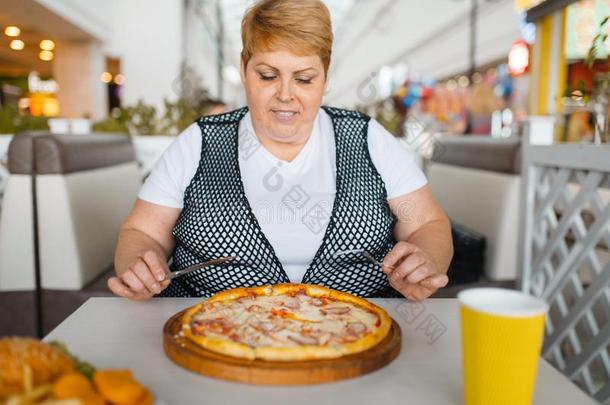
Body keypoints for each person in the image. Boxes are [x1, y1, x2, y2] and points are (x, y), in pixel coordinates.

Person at [108, 0, 453, 301]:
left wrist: (425, 260)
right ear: (244, 70)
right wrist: (140, 265)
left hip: (357, 337)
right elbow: (143, 232)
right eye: (268, 76)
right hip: (212, 336)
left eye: (304, 79)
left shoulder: (369, 140)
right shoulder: (198, 142)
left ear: (325, 77)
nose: (285, 94)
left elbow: (426, 223)